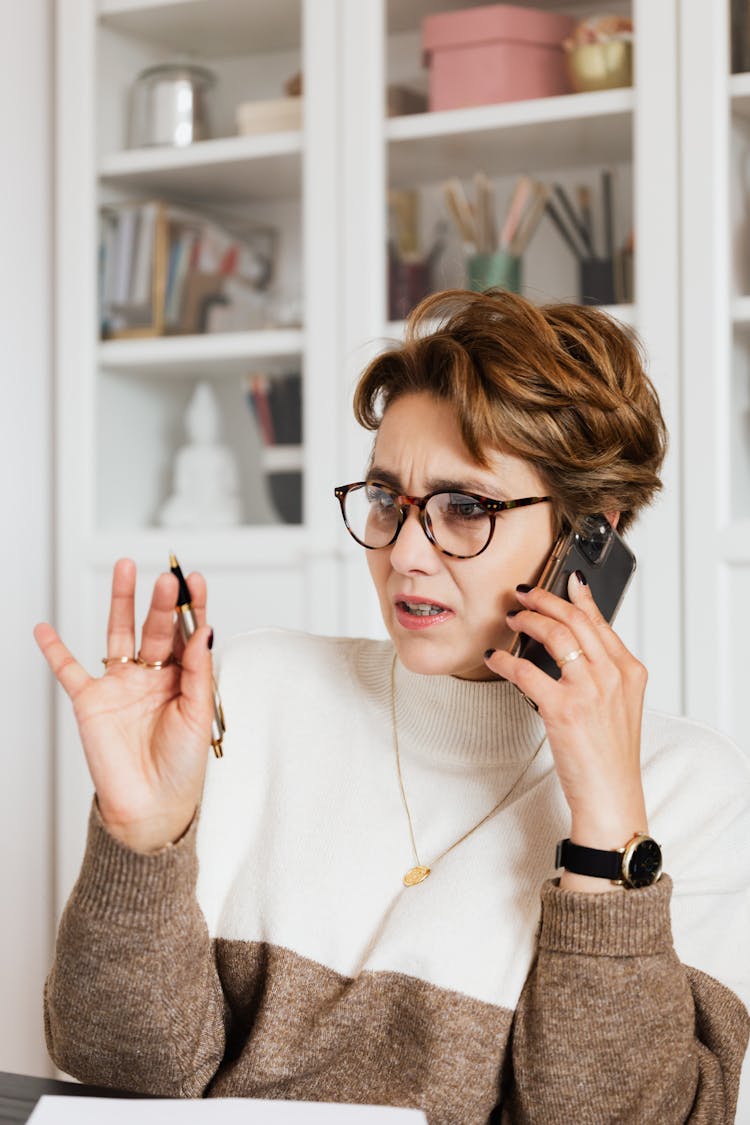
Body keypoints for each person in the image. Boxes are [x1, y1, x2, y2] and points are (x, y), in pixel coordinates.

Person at [36, 289, 750, 1123]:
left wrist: (604, 828)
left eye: (465, 508)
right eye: (388, 501)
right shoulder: (258, 691)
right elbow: (116, 1067)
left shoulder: (685, 789)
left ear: (589, 533)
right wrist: (141, 841)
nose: (406, 554)